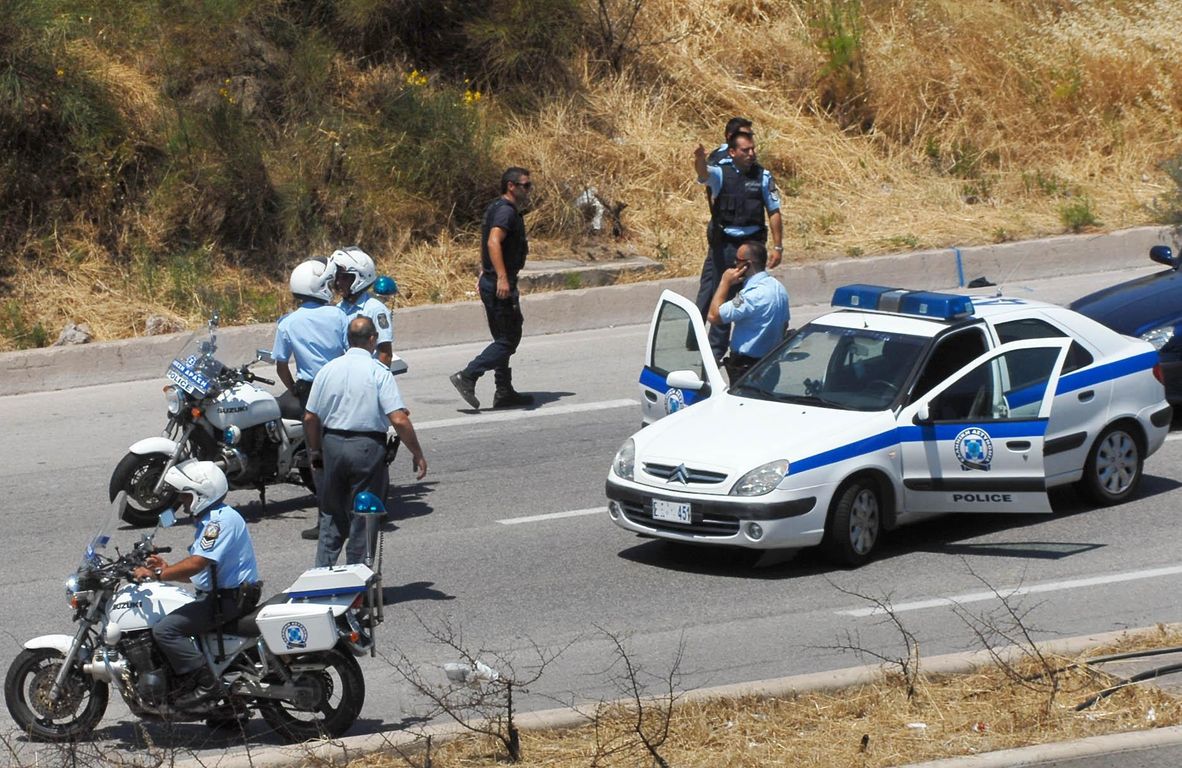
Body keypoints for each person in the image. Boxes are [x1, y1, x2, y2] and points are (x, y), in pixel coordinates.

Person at [132, 460, 260, 709]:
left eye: (185, 495)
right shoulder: (213, 519)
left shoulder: (218, 523)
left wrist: (157, 576)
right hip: (222, 595)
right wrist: (165, 569)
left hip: (228, 600)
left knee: (165, 630)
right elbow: (198, 573)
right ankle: (227, 710)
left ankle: (207, 686)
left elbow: (197, 563)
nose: (181, 502)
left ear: (201, 494)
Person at [304, 315, 428, 567]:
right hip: (366, 449)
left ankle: (321, 576)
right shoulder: (378, 372)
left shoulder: (328, 370)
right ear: (373, 339)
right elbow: (399, 419)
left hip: (332, 445)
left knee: (331, 513)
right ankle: (357, 581)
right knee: (364, 514)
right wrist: (417, 453)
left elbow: (309, 417)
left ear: (348, 340)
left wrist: (315, 451)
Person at [693, 131, 784, 363]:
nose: (751, 154)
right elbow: (703, 174)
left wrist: (778, 246)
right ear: (732, 152)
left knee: (755, 296)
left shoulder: (763, 176)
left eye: (753, 149)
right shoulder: (721, 174)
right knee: (722, 295)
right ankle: (714, 355)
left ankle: (756, 351)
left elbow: (773, 211)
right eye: (745, 150)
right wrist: (699, 159)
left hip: (753, 247)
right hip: (727, 248)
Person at [450, 167, 535, 410]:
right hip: (499, 283)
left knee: (502, 337)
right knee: (509, 339)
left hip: (492, 279)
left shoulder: (498, 208)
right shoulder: (506, 212)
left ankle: (504, 391)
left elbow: (488, 242)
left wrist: (485, 270)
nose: (529, 190)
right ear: (511, 186)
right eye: (525, 185)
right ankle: (468, 375)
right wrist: (501, 277)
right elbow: (493, 241)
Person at [272, 258, 347, 415]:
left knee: (311, 430)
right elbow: (351, 350)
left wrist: (293, 389)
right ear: (320, 287)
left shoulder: (287, 323)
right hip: (339, 384)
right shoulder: (339, 314)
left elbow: (281, 367)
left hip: (309, 389)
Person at [707, 241, 790, 382]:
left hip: (748, 370)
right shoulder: (778, 288)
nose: (734, 263)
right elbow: (785, 324)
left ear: (747, 265)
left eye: (738, 260)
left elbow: (714, 316)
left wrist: (724, 282)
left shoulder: (750, 296)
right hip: (771, 364)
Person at [330, 247, 395, 369]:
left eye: (344, 278)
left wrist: (376, 381)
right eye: (337, 277)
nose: (338, 283)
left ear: (361, 278)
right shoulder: (338, 310)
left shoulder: (375, 309)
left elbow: (385, 354)